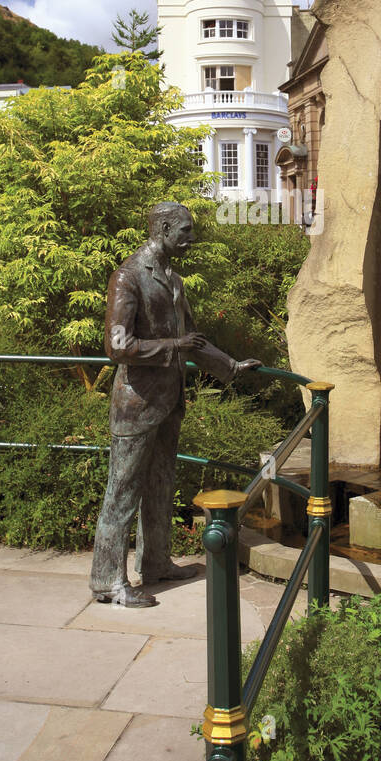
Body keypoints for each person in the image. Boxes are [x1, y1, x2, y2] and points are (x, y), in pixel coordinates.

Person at [90, 201, 260, 606]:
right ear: (163, 229)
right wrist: (173, 346)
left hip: (169, 403)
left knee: (161, 486)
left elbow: (193, 339)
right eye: (184, 230)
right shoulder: (129, 276)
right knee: (122, 493)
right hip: (136, 404)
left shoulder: (175, 279)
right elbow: (117, 346)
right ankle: (107, 582)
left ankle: (156, 563)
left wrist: (232, 366)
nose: (191, 238)